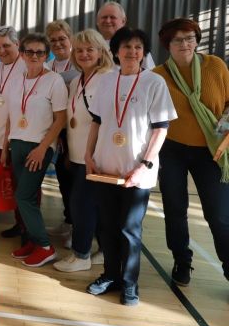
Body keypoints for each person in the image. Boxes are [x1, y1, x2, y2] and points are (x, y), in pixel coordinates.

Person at [85, 27, 175, 306]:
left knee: (129, 229)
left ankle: (129, 284)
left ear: (144, 52)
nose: (132, 52)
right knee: (107, 227)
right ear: (115, 51)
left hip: (137, 172)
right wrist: (88, 154)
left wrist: (144, 165)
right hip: (105, 168)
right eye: (126, 46)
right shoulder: (106, 81)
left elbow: (161, 128)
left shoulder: (154, 82)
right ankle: (110, 275)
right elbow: (96, 121)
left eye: (138, 47)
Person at [153, 18, 229, 285]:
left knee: (219, 215)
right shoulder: (158, 76)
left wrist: (224, 125)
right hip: (171, 150)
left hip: (211, 150)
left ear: (197, 40)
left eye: (189, 38)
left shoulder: (215, 66)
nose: (184, 44)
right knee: (175, 209)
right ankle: (182, 261)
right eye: (177, 39)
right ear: (168, 44)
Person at [3, 33, 67, 268]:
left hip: (38, 146)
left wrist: (43, 148)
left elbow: (60, 119)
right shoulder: (16, 80)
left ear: (46, 55)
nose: (34, 56)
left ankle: (45, 247)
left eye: (40, 52)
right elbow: (11, 115)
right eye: (29, 51)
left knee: (24, 196)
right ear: (21, 54)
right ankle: (32, 240)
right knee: (24, 197)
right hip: (17, 143)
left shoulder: (54, 81)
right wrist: (5, 146)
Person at [53, 29, 113, 272]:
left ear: (101, 52)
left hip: (95, 156)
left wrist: (94, 154)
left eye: (90, 49)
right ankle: (104, 250)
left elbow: (108, 120)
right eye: (79, 50)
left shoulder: (108, 78)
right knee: (89, 205)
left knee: (82, 205)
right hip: (77, 153)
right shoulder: (77, 80)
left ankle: (81, 255)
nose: (84, 54)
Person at [0, 26, 26, 238]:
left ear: (17, 44)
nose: (1, 51)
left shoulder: (28, 67)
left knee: (25, 188)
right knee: (13, 185)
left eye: (6, 45)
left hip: (20, 139)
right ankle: (21, 224)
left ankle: (29, 231)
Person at [44, 20, 77, 245]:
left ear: (70, 38)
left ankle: (78, 227)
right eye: (53, 40)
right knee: (64, 179)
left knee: (76, 181)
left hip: (77, 129)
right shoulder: (47, 67)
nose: (58, 43)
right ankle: (69, 220)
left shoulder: (80, 63)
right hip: (58, 130)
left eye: (62, 38)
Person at [96, 2, 154, 68]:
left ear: (123, 21)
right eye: (104, 17)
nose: (108, 21)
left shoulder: (137, 46)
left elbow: (149, 72)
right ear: (97, 21)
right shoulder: (91, 44)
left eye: (112, 17)